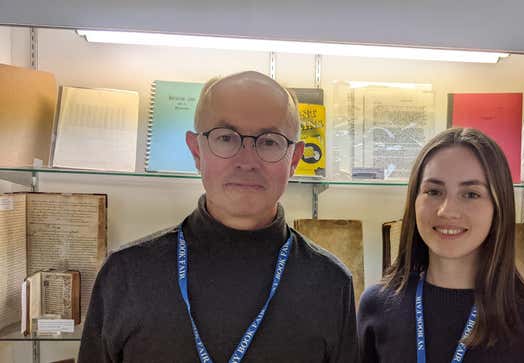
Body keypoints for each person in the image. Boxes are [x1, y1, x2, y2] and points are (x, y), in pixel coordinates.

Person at [79, 71, 359, 362]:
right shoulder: (126, 274)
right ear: (196, 151)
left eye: (269, 141)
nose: (247, 161)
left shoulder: (330, 282)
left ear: (295, 159)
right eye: (226, 138)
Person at [357, 128, 524, 363]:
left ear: (498, 207)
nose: (447, 210)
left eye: (471, 194)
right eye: (433, 191)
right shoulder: (376, 307)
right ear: (414, 201)